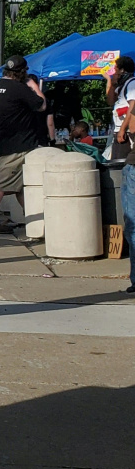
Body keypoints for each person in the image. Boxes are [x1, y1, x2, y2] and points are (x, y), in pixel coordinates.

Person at [0, 55, 47, 234]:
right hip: (18, 145)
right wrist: (34, 86)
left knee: (20, 185)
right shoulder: (19, 89)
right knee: (1, 183)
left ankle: (37, 220)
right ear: (23, 72)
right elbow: (41, 105)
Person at [111, 56, 135, 294]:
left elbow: (134, 108)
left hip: (129, 147)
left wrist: (126, 127)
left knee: (133, 218)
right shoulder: (122, 87)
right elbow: (110, 100)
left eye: (116, 70)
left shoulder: (132, 84)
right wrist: (109, 83)